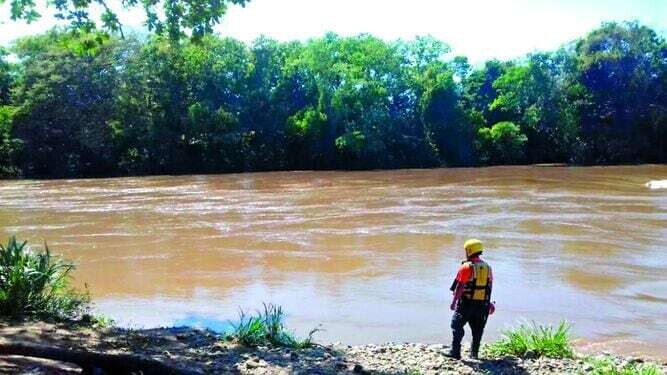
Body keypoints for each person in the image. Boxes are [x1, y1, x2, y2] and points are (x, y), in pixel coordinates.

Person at [445, 239, 495, 360]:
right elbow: (489, 286)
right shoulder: (488, 267)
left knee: (456, 326)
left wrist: (453, 302)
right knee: (478, 331)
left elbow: (460, 286)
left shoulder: (466, 267)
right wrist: (489, 303)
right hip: (482, 305)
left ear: (469, 251)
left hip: (466, 304)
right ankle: (474, 354)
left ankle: (455, 352)